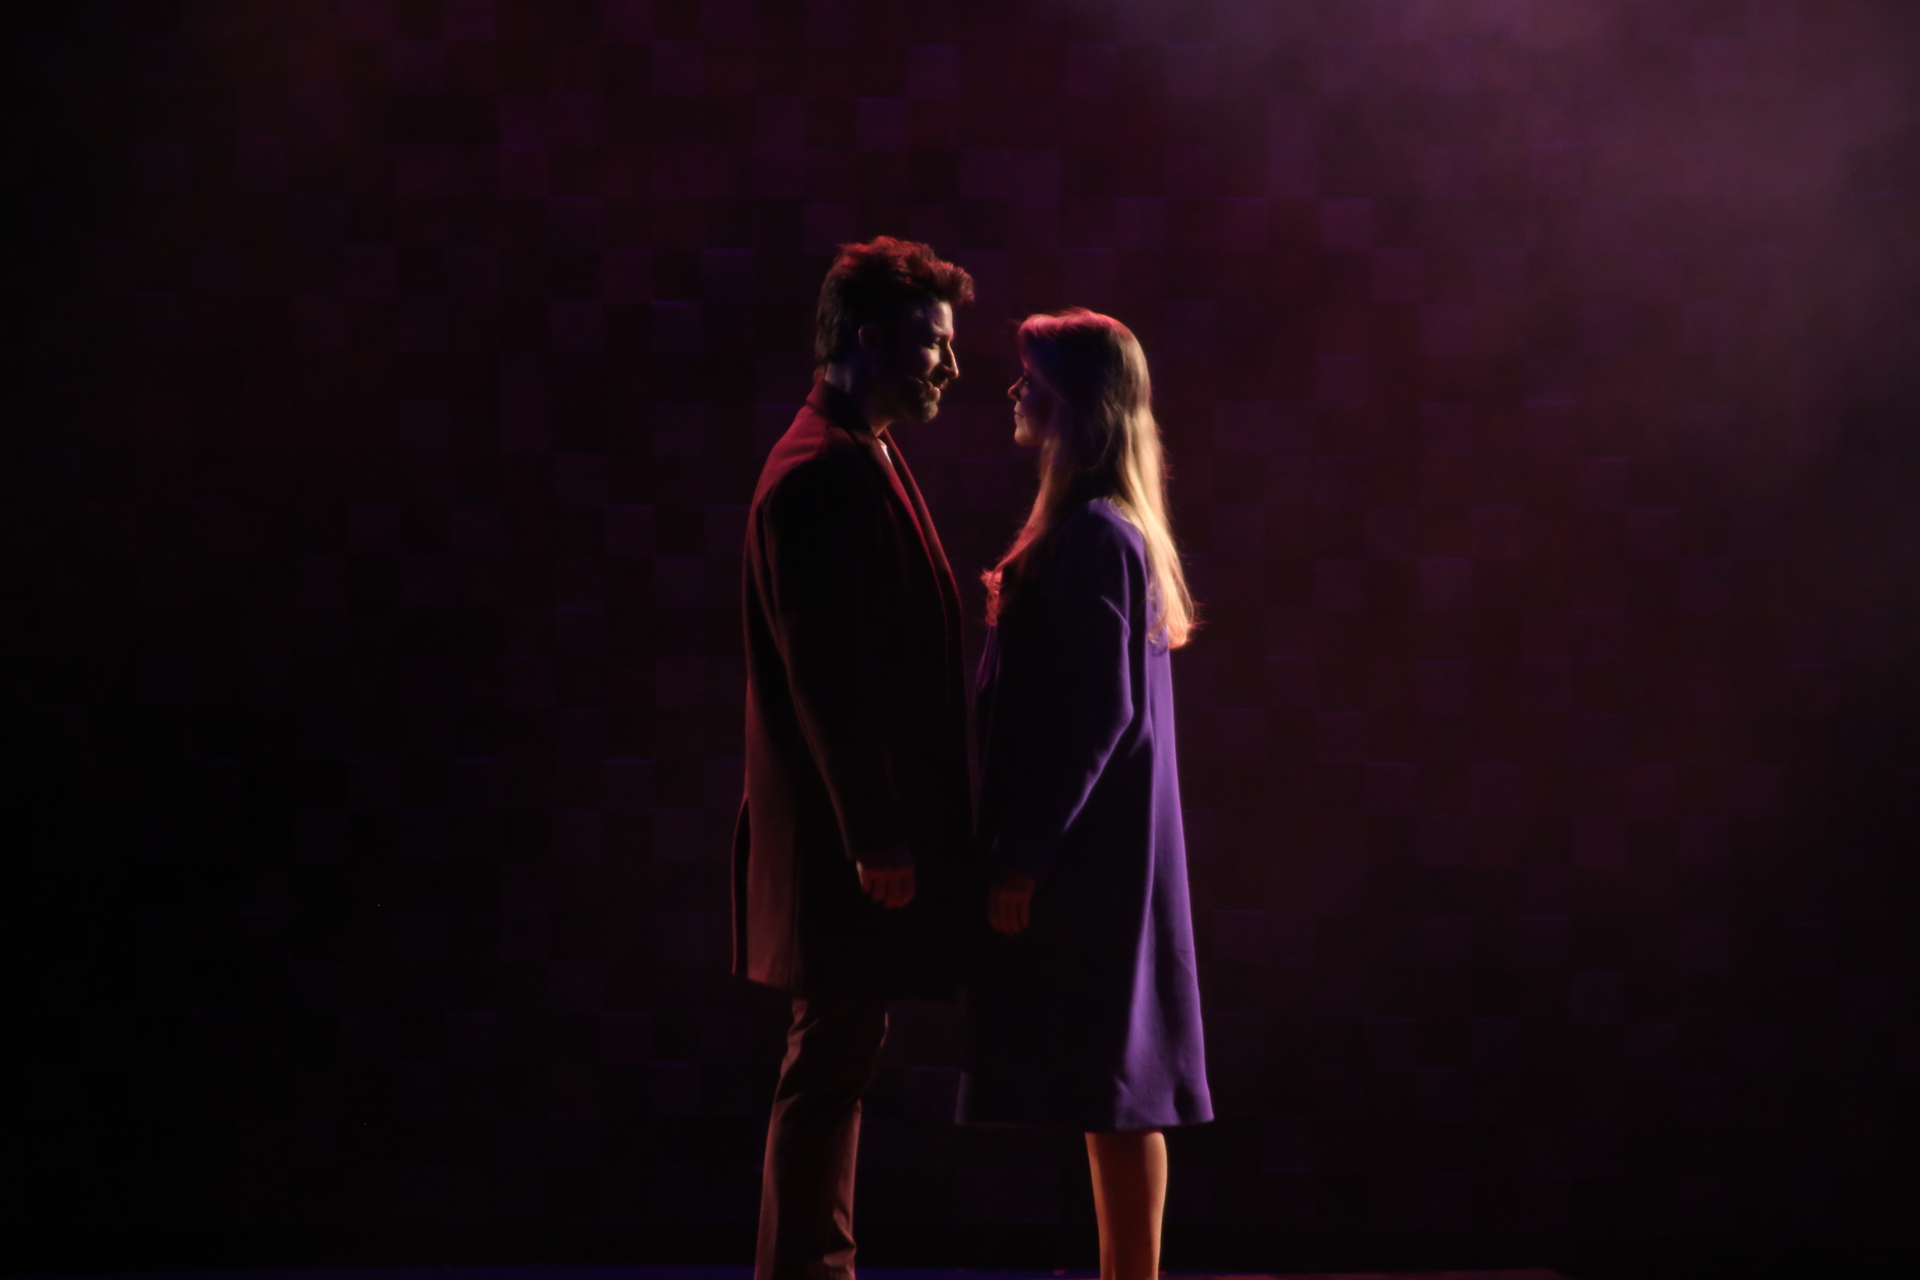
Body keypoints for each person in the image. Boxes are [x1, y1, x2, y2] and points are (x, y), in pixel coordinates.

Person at [734, 238, 975, 1280]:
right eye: (934, 344)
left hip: (852, 838)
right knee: (829, 1061)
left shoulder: (858, 450)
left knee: (838, 1058)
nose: (951, 367)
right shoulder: (819, 472)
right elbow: (826, 678)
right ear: (870, 340)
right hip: (842, 844)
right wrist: (876, 833)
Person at [960, 309, 1212, 1280]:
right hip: (1099, 850)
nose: (1014, 392)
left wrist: (1025, 852)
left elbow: (1099, 711)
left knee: (1120, 1082)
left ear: (1074, 405)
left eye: (1032, 379)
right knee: (1111, 1085)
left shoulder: (1099, 535)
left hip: (1092, 857)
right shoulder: (1096, 530)